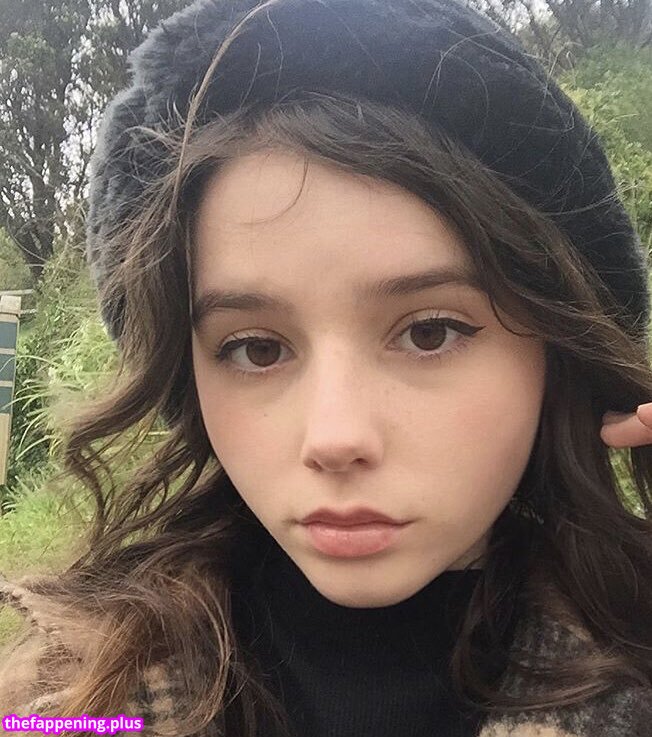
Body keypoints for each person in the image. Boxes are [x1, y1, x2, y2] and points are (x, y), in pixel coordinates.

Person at [1, 0, 651, 735]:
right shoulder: (68, 697)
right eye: (256, 348)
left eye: (429, 332)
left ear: (558, 351)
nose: (334, 438)